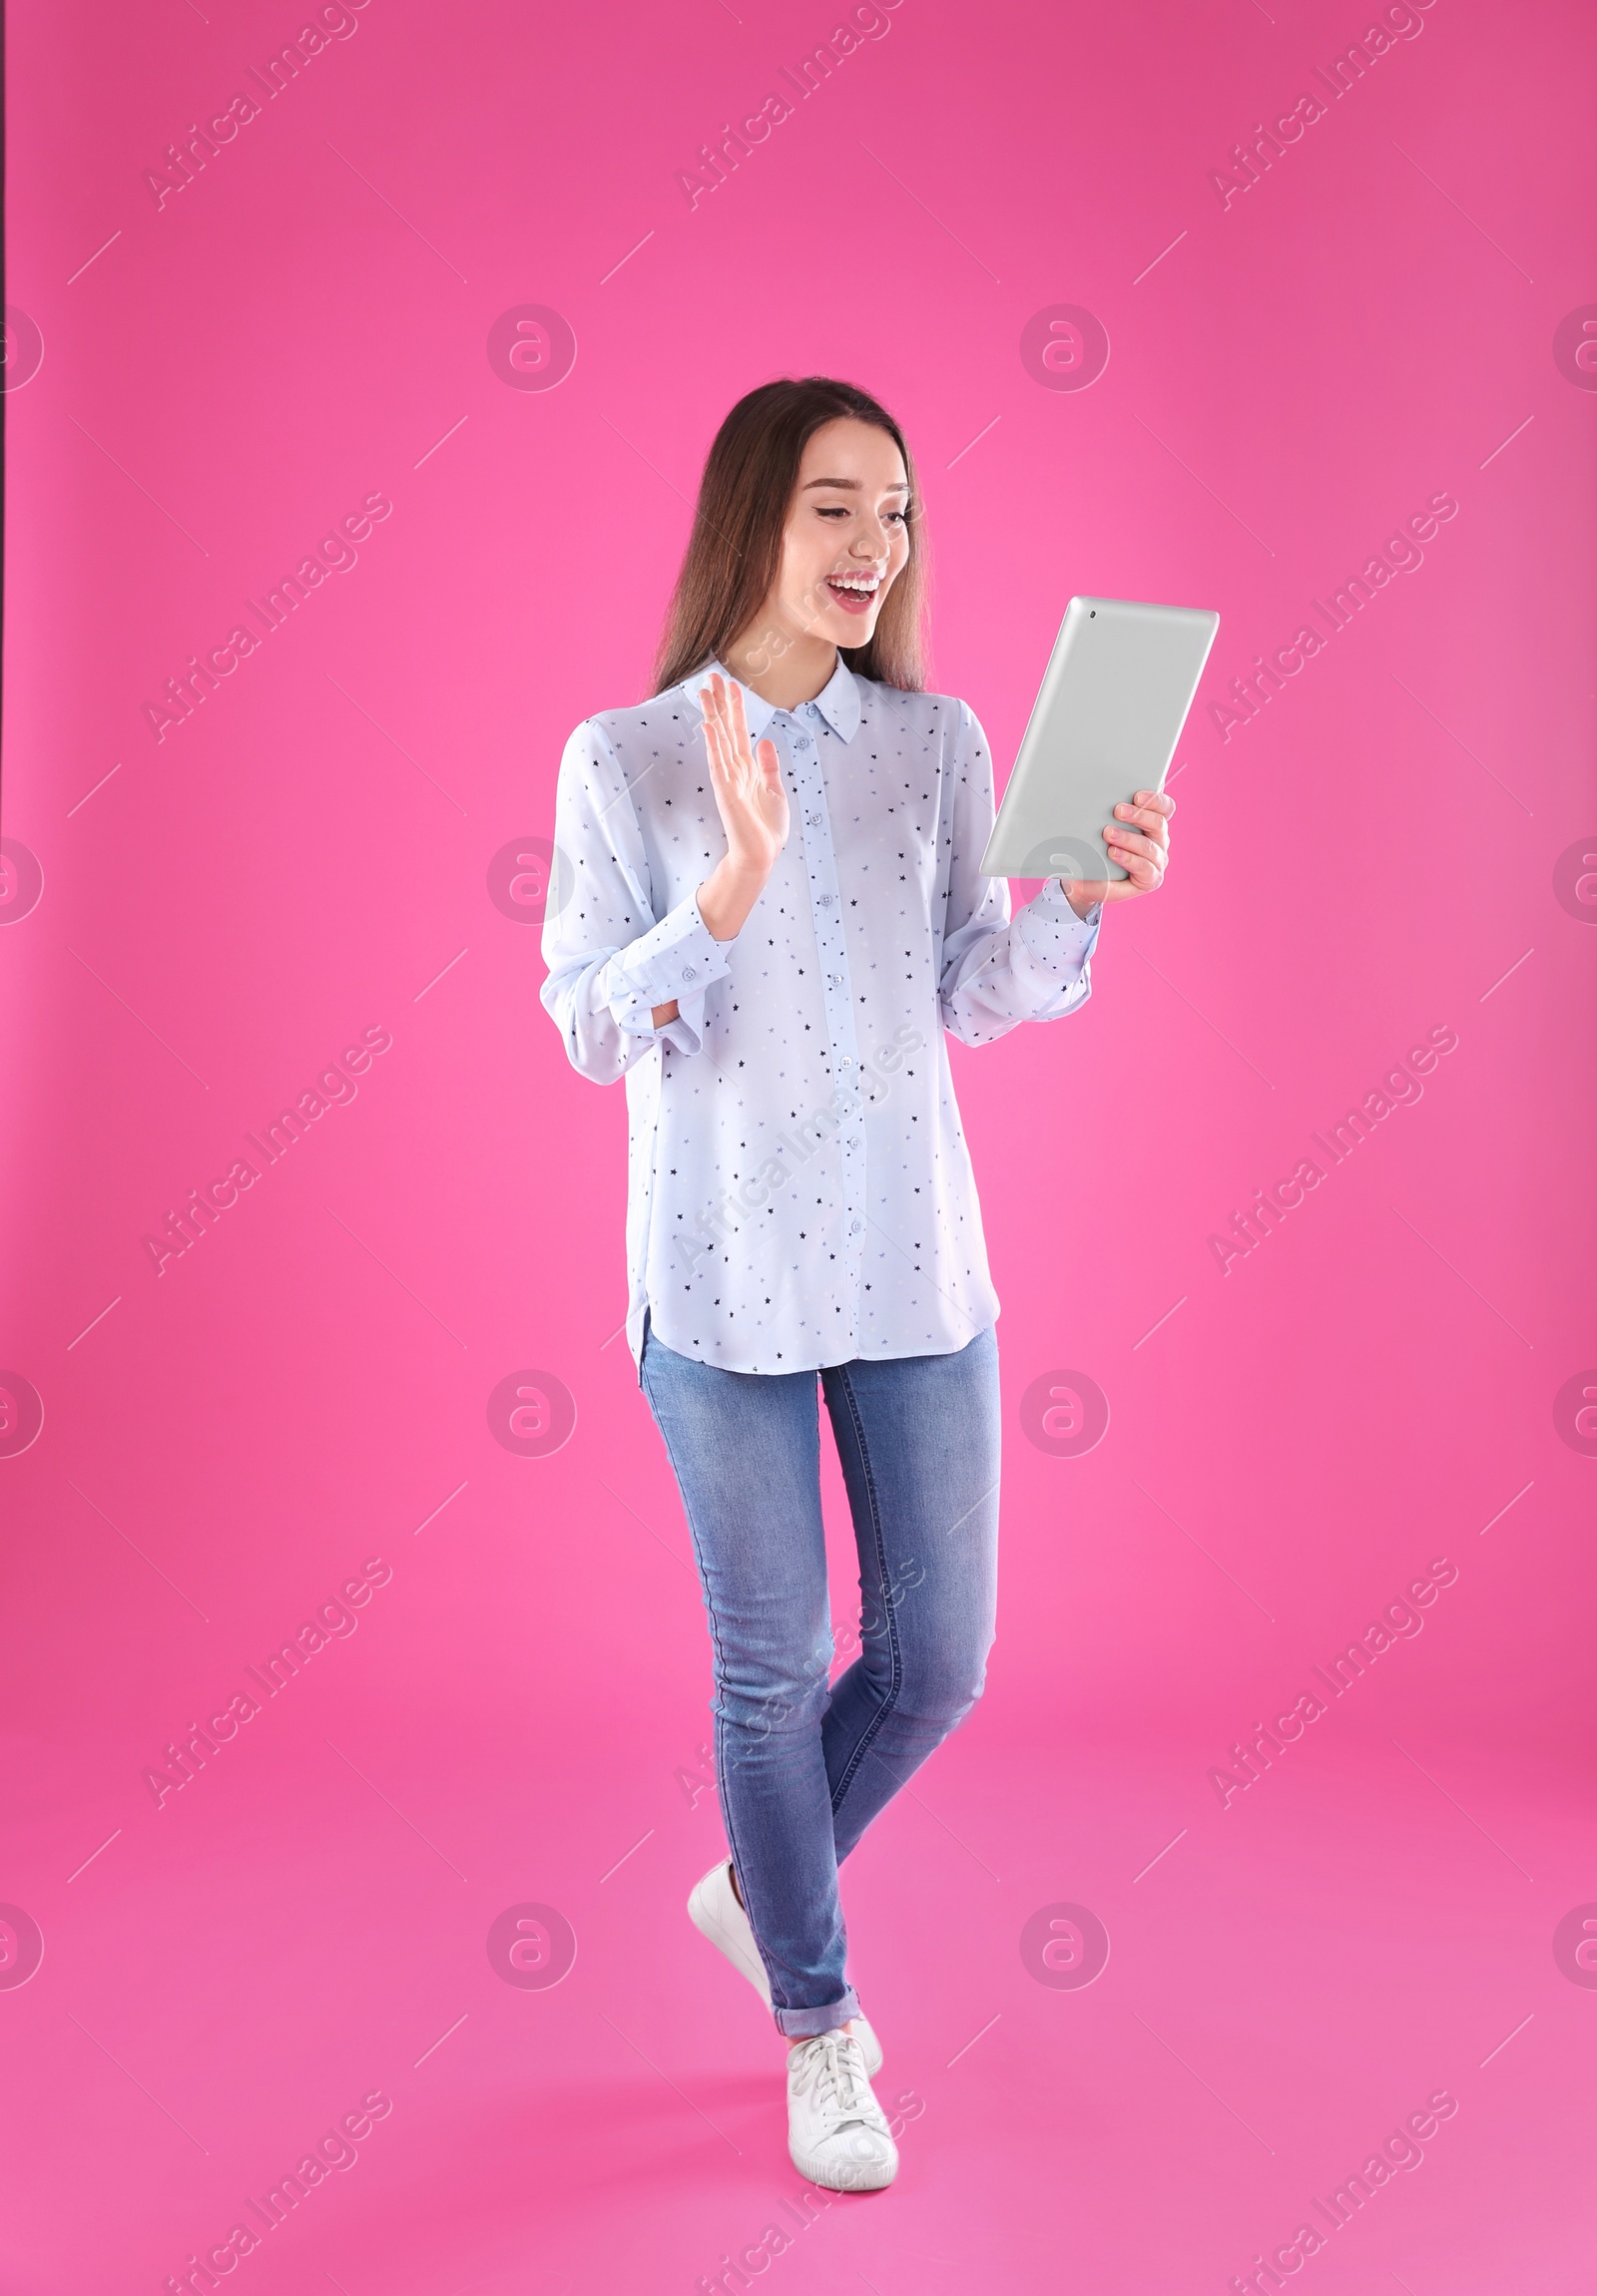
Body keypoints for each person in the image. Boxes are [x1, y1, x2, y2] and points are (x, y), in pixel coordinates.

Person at [540, 376, 1174, 2190]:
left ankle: (757, 1881)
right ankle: (820, 2022)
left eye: (893, 512)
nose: (872, 544)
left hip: (916, 1261)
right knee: (770, 1671)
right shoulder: (626, 758)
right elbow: (589, 1026)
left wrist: (1086, 896)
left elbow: (982, 986)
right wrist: (724, 885)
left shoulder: (942, 741)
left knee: (940, 1657)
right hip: (720, 1283)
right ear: (754, 515)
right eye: (835, 505)